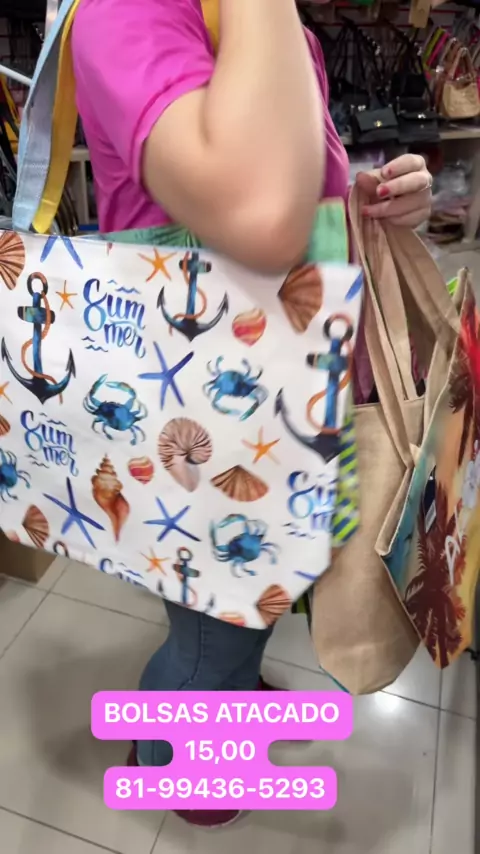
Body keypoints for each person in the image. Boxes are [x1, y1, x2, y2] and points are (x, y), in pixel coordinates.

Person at [71, 0, 433, 828]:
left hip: (276, 409)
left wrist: (360, 199)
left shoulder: (262, 24)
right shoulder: (128, 13)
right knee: (210, 637)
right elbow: (262, 214)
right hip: (210, 425)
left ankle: (227, 685)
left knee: (252, 601)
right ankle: (173, 755)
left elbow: (290, 197)